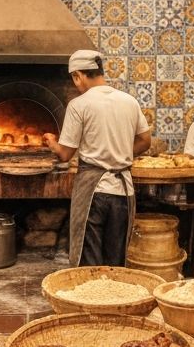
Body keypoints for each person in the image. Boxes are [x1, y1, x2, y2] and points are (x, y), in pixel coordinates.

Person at [44, 49, 151, 267]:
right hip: (124, 190)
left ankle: (92, 299)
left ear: (78, 75)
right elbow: (145, 141)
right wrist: (119, 155)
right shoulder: (129, 101)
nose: (76, 84)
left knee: (89, 257)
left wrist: (52, 142)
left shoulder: (79, 105)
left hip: (95, 191)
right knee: (116, 258)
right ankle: (114, 299)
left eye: (75, 79)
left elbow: (65, 154)